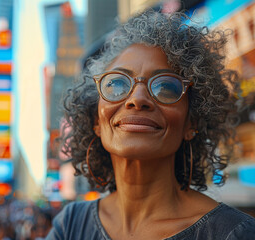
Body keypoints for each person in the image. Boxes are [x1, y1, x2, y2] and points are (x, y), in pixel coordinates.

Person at [46, 11, 255, 240]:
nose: (137, 99)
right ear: (96, 120)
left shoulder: (233, 233)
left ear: (191, 122)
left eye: (166, 87)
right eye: (116, 84)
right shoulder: (71, 225)